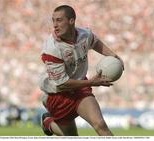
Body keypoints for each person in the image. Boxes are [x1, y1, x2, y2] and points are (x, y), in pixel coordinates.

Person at [39, 5, 124, 136]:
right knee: (72, 136)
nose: (55, 25)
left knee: (100, 125)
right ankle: (48, 123)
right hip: (58, 95)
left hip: (80, 89)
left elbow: (95, 42)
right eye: (53, 20)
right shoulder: (52, 49)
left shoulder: (85, 35)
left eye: (59, 20)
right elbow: (62, 83)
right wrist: (91, 82)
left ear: (71, 21)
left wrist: (114, 56)